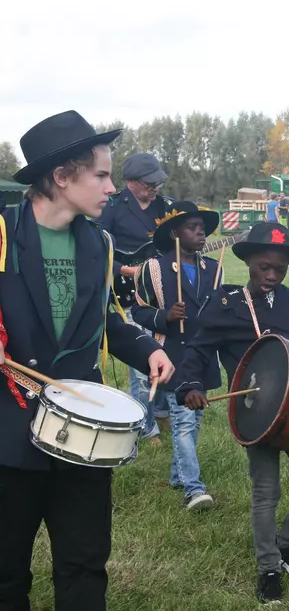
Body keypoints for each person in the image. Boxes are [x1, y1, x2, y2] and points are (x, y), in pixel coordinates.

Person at [0, 110, 175, 611]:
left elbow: (103, 320)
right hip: (7, 429)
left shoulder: (97, 245)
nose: (110, 187)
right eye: (101, 176)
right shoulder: (0, 233)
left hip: (80, 434)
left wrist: (146, 346)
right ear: (62, 176)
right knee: (5, 565)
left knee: (83, 563)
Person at [174, 222, 289, 605]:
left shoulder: (287, 298)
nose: (271, 276)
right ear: (248, 261)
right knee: (266, 489)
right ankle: (268, 566)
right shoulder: (226, 304)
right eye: (263, 267)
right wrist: (191, 386)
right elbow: (198, 348)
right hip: (256, 411)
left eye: (279, 270)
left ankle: (288, 545)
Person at [130, 201, 223, 511]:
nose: (200, 232)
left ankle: (176, 476)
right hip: (172, 355)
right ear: (174, 233)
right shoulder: (153, 268)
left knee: (194, 421)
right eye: (192, 227)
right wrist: (165, 316)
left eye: (203, 228)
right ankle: (193, 490)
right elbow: (140, 311)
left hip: (204, 357)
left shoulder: (214, 268)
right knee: (183, 422)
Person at [98, 151, 173, 443]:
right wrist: (123, 270)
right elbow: (97, 245)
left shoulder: (165, 206)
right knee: (141, 363)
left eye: (157, 182)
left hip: (160, 293)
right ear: (131, 182)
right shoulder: (112, 206)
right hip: (126, 293)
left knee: (166, 352)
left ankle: (164, 413)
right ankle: (146, 426)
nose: (154, 188)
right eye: (148, 183)